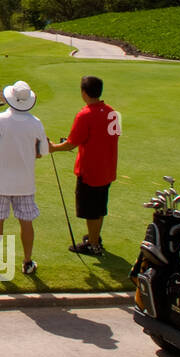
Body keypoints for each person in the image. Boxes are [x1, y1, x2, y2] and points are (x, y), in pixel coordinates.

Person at [0, 80, 48, 276]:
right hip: (25, 182)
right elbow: (41, 152)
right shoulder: (36, 123)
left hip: (1, 179)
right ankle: (27, 262)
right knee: (26, 222)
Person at [49, 75, 119, 257]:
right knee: (100, 206)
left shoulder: (85, 114)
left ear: (83, 92)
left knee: (91, 210)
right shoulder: (112, 113)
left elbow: (71, 143)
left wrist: (53, 148)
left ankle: (93, 244)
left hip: (90, 169)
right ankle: (95, 237)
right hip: (107, 167)